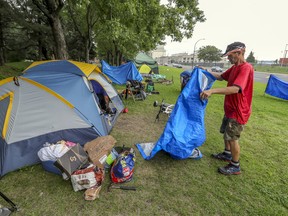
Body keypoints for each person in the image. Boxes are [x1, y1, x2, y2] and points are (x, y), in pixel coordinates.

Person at [200, 42, 254, 175]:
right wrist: (205, 71)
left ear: (239, 53)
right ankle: (227, 153)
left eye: (230, 55)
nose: (228, 58)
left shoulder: (245, 68)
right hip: (230, 108)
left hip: (238, 110)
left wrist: (212, 91)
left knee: (232, 137)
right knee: (226, 133)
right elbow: (221, 77)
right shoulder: (235, 67)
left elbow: (236, 89)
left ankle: (235, 166)